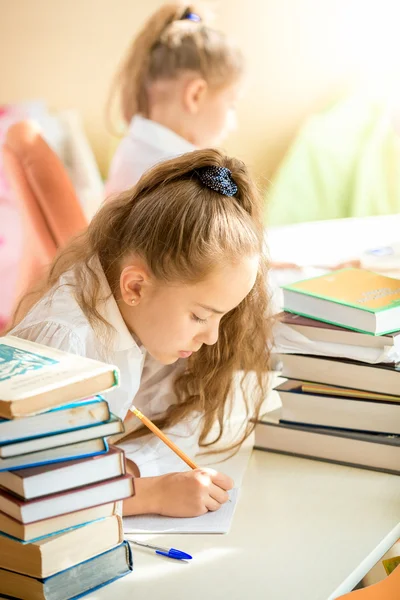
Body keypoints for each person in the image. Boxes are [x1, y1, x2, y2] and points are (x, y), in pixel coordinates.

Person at [10, 148, 272, 517]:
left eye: (221, 318)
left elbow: (179, 418)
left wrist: (126, 471)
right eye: (200, 316)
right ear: (135, 287)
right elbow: (25, 491)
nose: (212, 337)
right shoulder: (64, 341)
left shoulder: (143, 322)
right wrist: (149, 495)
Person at [105, 2, 244, 196]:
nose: (233, 124)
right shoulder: (187, 178)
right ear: (195, 95)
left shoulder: (132, 146)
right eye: (232, 105)